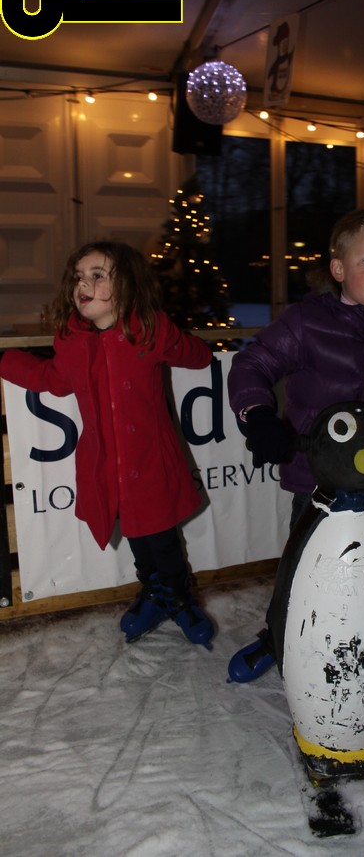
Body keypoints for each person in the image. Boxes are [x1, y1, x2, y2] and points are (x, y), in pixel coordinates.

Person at [226, 207, 364, 720]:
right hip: (316, 482)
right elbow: (252, 365)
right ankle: (279, 635)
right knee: (300, 570)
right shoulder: (306, 324)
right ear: (337, 268)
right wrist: (258, 416)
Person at [0, 240, 215, 647]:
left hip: (151, 461)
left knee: (162, 537)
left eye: (97, 276)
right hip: (106, 464)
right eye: (78, 277)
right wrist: (5, 361)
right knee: (134, 532)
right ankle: (153, 590)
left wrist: (176, 341)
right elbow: (54, 380)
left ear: (127, 285)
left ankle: (178, 596)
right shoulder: (73, 341)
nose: (83, 284)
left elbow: (197, 356)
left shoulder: (148, 330)